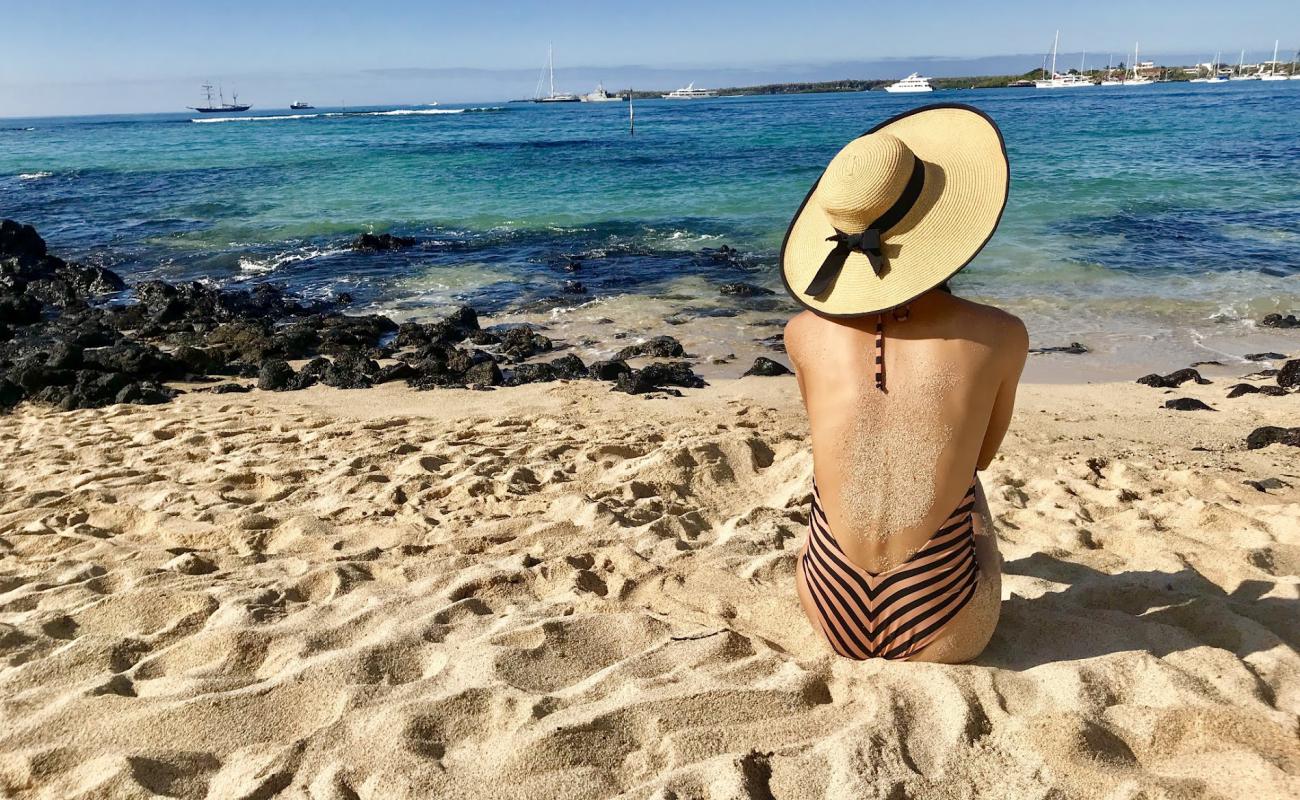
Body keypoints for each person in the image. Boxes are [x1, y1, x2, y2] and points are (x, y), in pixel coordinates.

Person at [779, 104, 1027, 663]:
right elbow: (980, 459)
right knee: (968, 488)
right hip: (948, 622)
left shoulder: (801, 332)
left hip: (827, 607)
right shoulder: (1001, 334)